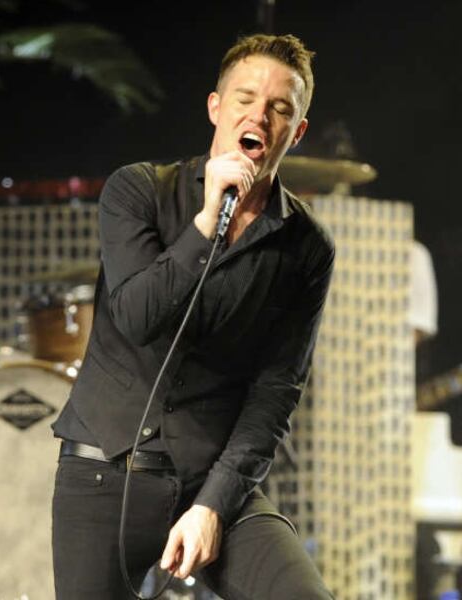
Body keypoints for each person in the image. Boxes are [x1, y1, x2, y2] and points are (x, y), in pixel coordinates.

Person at [51, 33, 335, 599]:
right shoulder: (138, 191)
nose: (259, 116)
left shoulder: (306, 246)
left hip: (209, 480)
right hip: (105, 469)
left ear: (297, 132)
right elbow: (137, 316)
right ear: (215, 107)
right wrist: (205, 225)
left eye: (280, 108)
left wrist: (213, 505)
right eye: (245, 99)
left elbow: (275, 392)